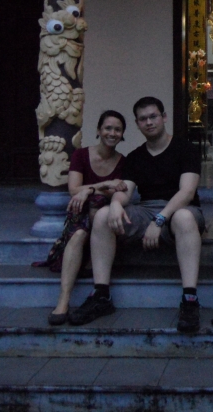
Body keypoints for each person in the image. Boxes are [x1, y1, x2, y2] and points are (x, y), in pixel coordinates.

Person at [68, 97, 205, 333]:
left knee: (183, 218)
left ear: (164, 117)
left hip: (181, 210)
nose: (149, 122)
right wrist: (115, 204)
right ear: (137, 124)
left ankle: (190, 299)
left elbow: (187, 192)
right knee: (102, 216)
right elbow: (126, 190)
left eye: (153, 116)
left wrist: (159, 220)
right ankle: (101, 295)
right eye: (143, 119)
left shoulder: (186, 149)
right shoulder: (135, 157)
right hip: (145, 209)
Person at [36, 111, 127, 326]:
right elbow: (74, 189)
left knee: (98, 208)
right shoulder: (81, 155)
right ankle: (63, 301)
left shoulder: (123, 162)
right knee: (77, 234)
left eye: (117, 129)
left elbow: (118, 192)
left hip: (101, 221)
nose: (112, 133)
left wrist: (89, 190)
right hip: (80, 216)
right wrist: (103, 185)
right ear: (98, 130)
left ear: (122, 134)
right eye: (108, 128)